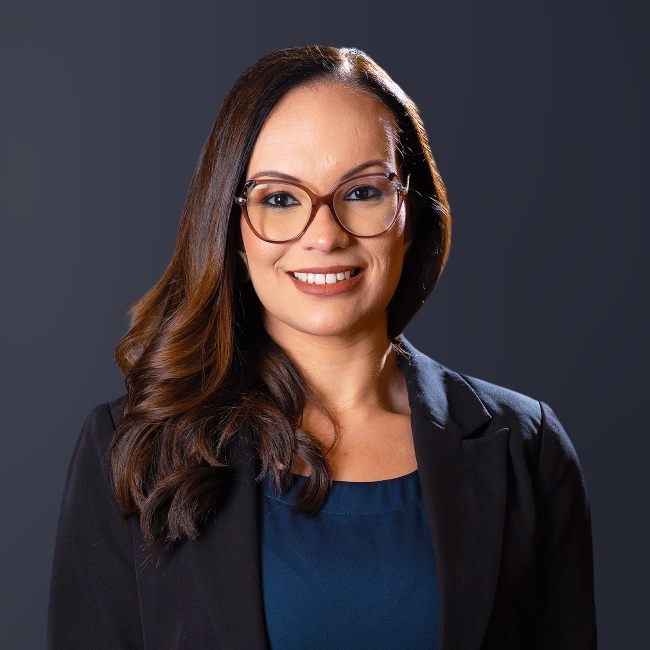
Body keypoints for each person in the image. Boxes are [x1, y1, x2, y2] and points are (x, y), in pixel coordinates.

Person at [47, 45, 597, 649]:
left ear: (410, 213)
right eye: (280, 199)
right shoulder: (131, 451)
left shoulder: (525, 448)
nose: (325, 235)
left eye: (362, 192)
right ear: (232, 230)